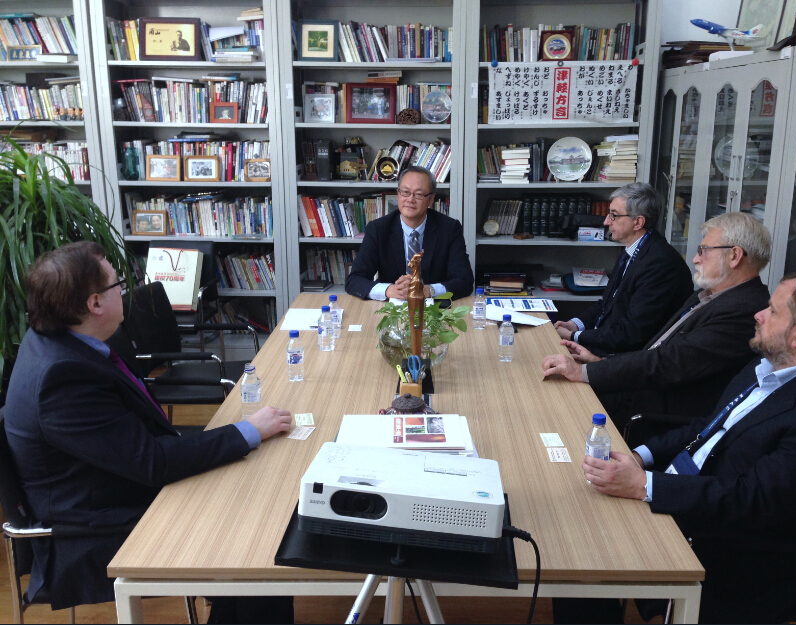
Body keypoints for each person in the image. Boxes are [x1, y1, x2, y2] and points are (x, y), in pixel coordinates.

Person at [4, 242, 294, 620]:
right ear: (95, 303)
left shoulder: (66, 341)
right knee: (258, 528)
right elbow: (153, 463)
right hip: (94, 528)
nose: (126, 292)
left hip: (114, 482)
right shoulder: (61, 378)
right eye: (118, 285)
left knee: (252, 489)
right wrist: (247, 430)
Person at [582, 270, 796, 624]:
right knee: (580, 524)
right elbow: (708, 426)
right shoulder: (765, 367)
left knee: (585, 556)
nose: (759, 314)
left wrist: (644, 485)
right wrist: (640, 457)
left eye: (773, 311)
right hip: (683, 493)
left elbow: (753, 499)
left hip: (730, 548)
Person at [542, 212, 772, 434]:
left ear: (734, 256)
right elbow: (656, 349)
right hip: (637, 390)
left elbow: (668, 362)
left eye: (703, 250)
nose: (695, 259)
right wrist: (599, 361)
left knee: (553, 410)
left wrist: (587, 371)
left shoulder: (744, 311)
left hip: (652, 414)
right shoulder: (708, 295)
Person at [554, 183, 692, 355]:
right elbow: (607, 304)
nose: (606, 221)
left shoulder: (661, 264)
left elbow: (632, 334)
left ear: (638, 222)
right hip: (607, 343)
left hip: (626, 357)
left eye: (614, 215)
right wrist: (575, 324)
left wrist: (575, 337)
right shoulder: (632, 250)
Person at [345, 165, 474, 300]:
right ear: (398, 194)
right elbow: (354, 280)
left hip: (434, 306)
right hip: (391, 306)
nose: (410, 199)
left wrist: (429, 290)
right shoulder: (378, 229)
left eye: (418, 194)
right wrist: (390, 290)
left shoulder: (450, 229)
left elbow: (464, 281)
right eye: (405, 192)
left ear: (431, 199)